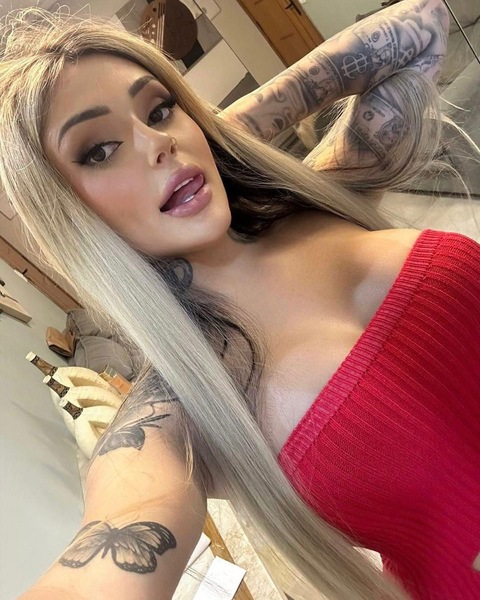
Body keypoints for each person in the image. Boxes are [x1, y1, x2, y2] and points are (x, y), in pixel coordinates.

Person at [0, 1, 478, 599]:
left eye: (159, 108)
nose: (157, 141)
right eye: (98, 150)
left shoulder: (315, 195)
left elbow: (423, 23)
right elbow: (107, 551)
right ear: (68, 217)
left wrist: (214, 141)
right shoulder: (182, 409)